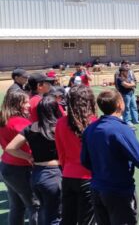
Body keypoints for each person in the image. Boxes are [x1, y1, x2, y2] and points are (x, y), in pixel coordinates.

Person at [81, 89, 139, 225]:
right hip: (119, 190)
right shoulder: (121, 129)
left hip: (97, 188)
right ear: (119, 104)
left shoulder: (90, 129)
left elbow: (85, 161)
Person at [7, 95, 63, 225]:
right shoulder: (59, 128)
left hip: (37, 174)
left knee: (43, 210)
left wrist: (28, 157)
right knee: (56, 215)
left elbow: (11, 148)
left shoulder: (30, 128)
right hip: (54, 174)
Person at [55, 85, 97, 225]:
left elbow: (60, 152)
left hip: (67, 175)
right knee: (87, 220)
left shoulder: (60, 123)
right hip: (88, 177)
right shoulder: (94, 123)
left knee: (68, 219)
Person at [0, 90, 39, 225]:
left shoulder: (3, 119)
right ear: (17, 104)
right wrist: (28, 156)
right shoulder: (21, 123)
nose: (29, 105)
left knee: (16, 206)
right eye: (26, 102)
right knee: (35, 206)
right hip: (21, 169)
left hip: (6, 167)